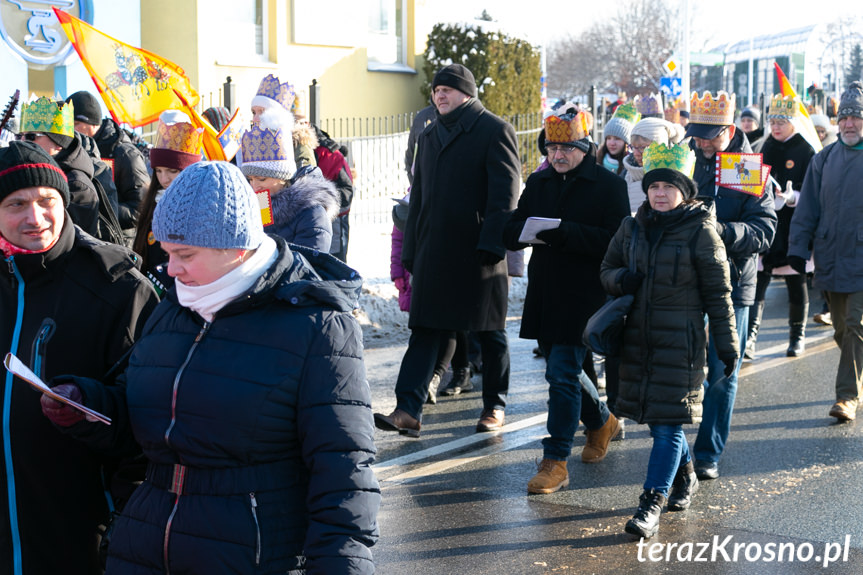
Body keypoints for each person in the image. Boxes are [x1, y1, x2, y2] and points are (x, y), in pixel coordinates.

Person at [39, 160, 380, 573]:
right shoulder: (173, 309)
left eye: (185, 254)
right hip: (144, 550)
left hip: (249, 556)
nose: (171, 268)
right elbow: (143, 420)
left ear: (236, 246)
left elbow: (344, 473)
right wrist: (86, 406)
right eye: (166, 253)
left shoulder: (316, 325)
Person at [0, 140, 159, 574]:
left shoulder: (117, 289)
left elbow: (151, 423)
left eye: (47, 200)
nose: (35, 217)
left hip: (82, 537)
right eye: (16, 204)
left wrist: (86, 408)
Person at [373, 63, 520, 436]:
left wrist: (492, 243)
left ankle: (494, 406)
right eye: (436, 89)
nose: (439, 94)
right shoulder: (430, 134)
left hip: (478, 252)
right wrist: (411, 250)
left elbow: (505, 195)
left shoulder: (494, 129)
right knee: (425, 330)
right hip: (435, 252)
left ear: (466, 93)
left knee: (488, 333)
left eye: (448, 89)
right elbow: (418, 197)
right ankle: (408, 409)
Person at [601, 141, 739, 539]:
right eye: (654, 187)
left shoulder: (702, 231)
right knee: (657, 420)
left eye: (668, 187)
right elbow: (607, 268)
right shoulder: (630, 227)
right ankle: (687, 476)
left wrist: (727, 346)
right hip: (636, 340)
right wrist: (620, 279)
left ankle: (651, 504)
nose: (660, 194)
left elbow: (719, 293)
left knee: (666, 424)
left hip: (681, 343)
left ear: (685, 191)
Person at [503, 106, 629, 494]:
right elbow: (517, 224)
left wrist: (566, 233)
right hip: (546, 291)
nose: (557, 156)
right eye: (552, 149)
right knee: (568, 371)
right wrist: (512, 231)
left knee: (561, 372)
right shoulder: (539, 183)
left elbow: (617, 241)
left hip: (586, 292)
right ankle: (602, 421)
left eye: (566, 149)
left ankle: (556, 460)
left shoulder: (610, 186)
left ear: (584, 147)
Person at [686, 90, 777, 479]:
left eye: (711, 135)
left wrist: (721, 232)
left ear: (730, 128)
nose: (703, 142)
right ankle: (672, 442)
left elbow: (765, 228)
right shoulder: (685, 157)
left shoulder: (748, 167)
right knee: (676, 363)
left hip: (733, 282)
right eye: (698, 134)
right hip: (685, 280)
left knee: (724, 368)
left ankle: (707, 452)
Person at [789, 81, 863, 422]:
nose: (850, 124)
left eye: (857, 118)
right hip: (831, 255)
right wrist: (797, 247)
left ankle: (846, 397)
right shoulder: (824, 159)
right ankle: (856, 376)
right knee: (839, 329)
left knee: (854, 325)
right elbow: (808, 208)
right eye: (845, 118)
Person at [745, 95, 815, 360]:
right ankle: (751, 337)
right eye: (772, 121)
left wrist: (793, 197)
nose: (775, 127)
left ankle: (797, 336)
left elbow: (813, 190)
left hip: (794, 225)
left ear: (793, 122)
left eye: (781, 122)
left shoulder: (806, 150)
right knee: (758, 280)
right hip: (766, 222)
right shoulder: (763, 147)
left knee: (795, 280)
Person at [132, 110, 203, 294]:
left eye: (172, 171)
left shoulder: (200, 205)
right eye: (159, 171)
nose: (164, 178)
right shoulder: (151, 203)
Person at [239, 123, 339, 252]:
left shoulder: (312, 212)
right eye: (250, 179)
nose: (254, 186)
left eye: (261, 179)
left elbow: (307, 266)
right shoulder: (261, 201)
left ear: (282, 177)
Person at [66, 90, 149, 237]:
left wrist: (97, 212)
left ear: (91, 123)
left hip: (119, 247)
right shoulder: (73, 152)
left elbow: (140, 209)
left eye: (76, 124)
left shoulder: (125, 154)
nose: (69, 130)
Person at [18, 96, 99, 236]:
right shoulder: (32, 174)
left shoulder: (77, 185)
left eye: (31, 136)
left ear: (59, 143)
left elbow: (69, 241)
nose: (23, 142)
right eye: (21, 136)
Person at [251, 74, 317, 169]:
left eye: (262, 112)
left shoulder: (299, 146)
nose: (255, 119)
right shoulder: (253, 143)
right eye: (253, 112)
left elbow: (307, 181)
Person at [623, 117, 686, 215]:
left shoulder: (675, 176)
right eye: (633, 147)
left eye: (643, 147)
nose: (636, 153)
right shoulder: (626, 174)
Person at [598, 102, 639, 176]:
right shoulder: (596, 161)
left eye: (617, 139)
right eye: (608, 138)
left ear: (627, 142)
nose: (612, 143)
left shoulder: (633, 166)